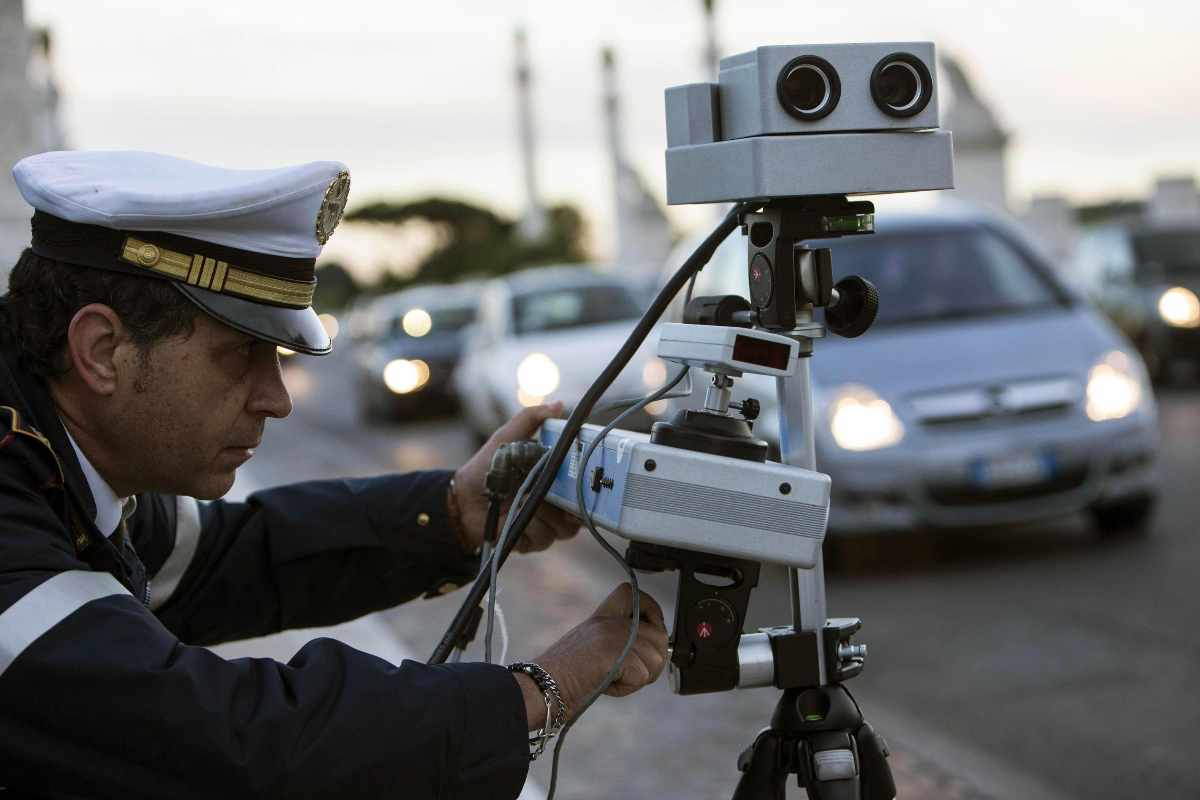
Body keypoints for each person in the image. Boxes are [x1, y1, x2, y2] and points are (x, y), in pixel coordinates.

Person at [0, 151, 668, 799]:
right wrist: (539, 689)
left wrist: (459, 510)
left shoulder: (49, 453)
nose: (278, 398)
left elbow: (225, 557)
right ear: (102, 351)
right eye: (240, 356)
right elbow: (220, 741)